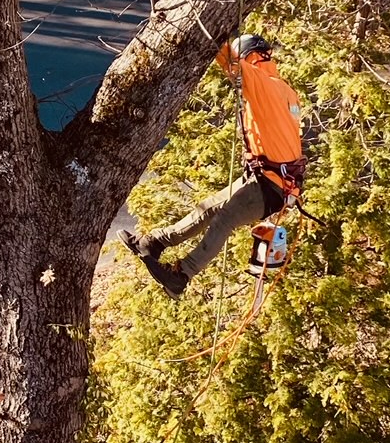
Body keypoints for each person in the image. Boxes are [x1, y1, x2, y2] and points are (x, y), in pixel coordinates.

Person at [122, 34, 305, 297]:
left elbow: (229, 61)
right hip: (272, 178)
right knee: (208, 208)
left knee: (224, 218)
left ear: (251, 57)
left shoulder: (262, 83)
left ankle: (182, 275)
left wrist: (212, 30)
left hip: (271, 184)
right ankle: (153, 242)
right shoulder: (286, 91)